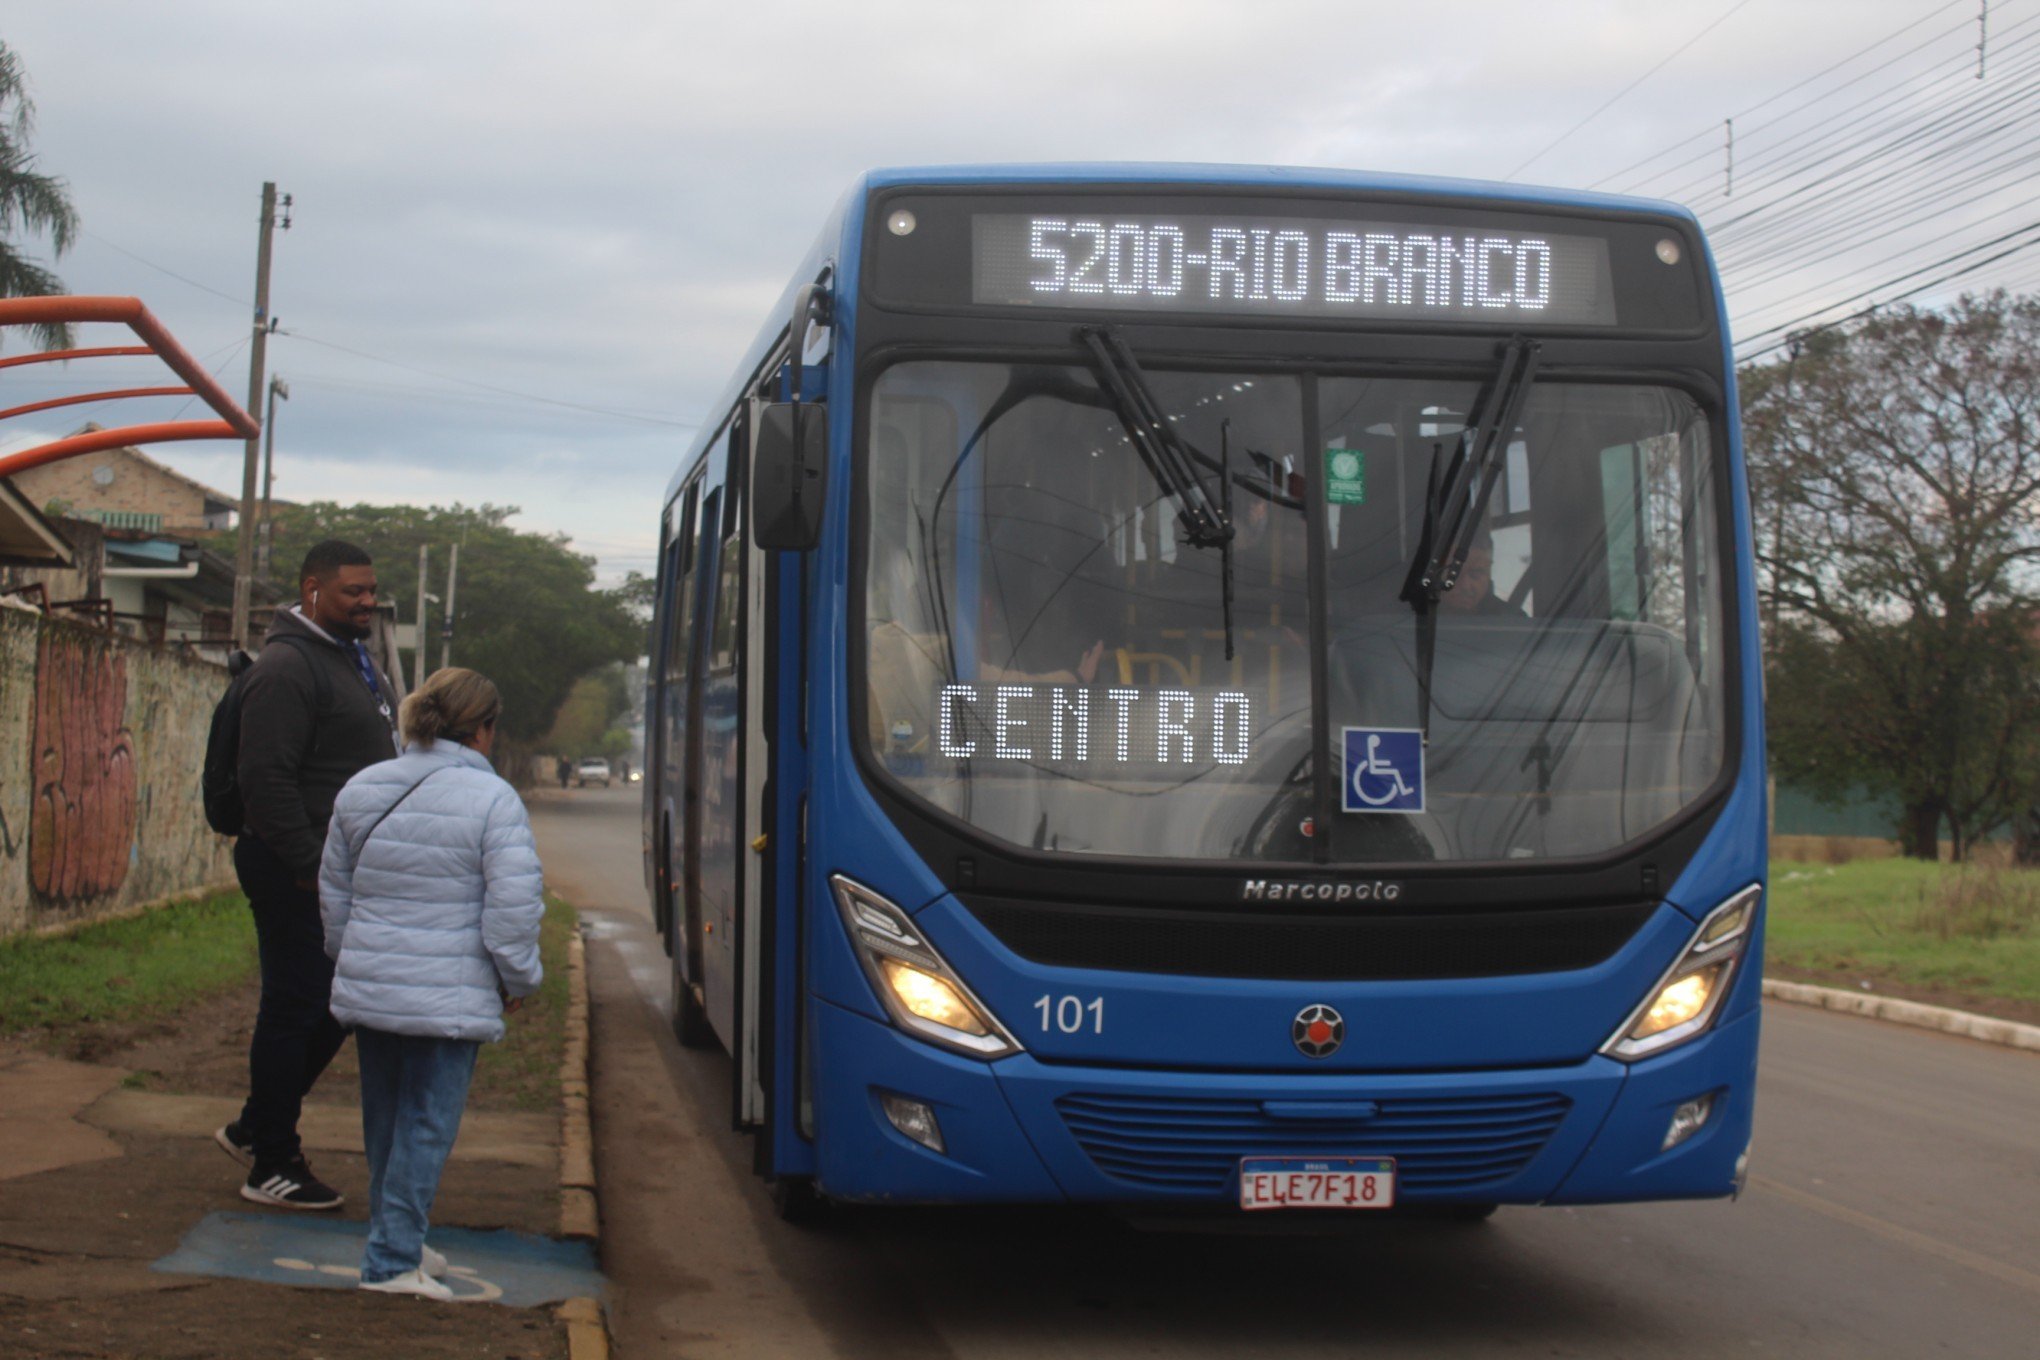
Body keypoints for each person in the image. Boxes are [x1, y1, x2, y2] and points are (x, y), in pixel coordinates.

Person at [320, 666, 544, 1300]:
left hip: (372, 985)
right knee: (426, 1125)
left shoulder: (362, 787)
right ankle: (391, 1262)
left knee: (386, 1123)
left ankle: (399, 1238)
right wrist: (518, 977)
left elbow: (334, 892)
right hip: (448, 994)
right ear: (483, 729)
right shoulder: (493, 800)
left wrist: (354, 958)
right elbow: (512, 909)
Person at [216, 540, 397, 1210]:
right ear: (313, 589)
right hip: (295, 867)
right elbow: (264, 778)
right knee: (298, 1006)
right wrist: (307, 865)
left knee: (333, 1005)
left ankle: (253, 1124)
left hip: (332, 868)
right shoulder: (288, 666)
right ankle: (272, 1163)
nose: (367, 603)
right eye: (353, 592)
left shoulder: (347, 658)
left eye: (372, 591)